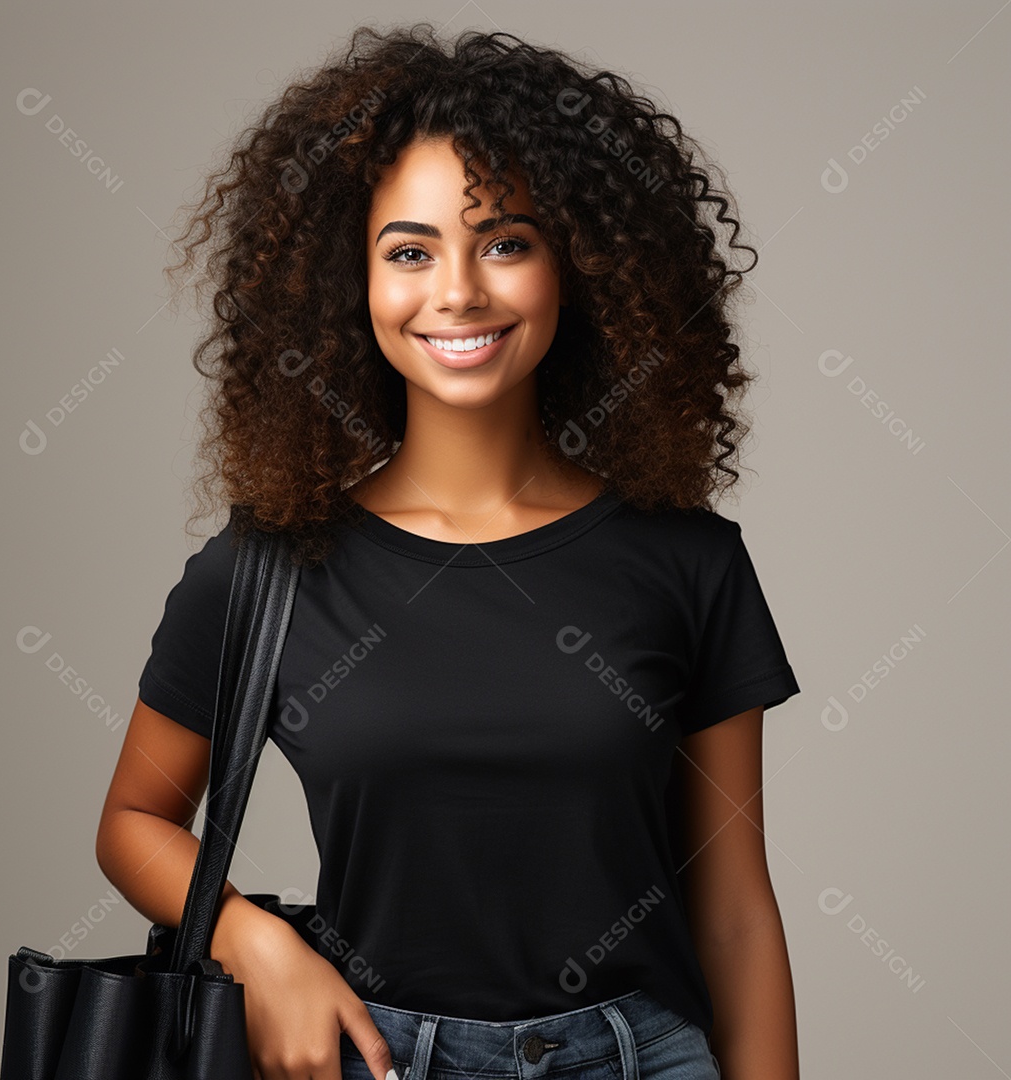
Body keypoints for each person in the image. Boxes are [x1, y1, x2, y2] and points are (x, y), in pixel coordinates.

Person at [95, 22, 802, 1080]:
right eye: (410, 251)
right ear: (350, 285)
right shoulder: (267, 569)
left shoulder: (689, 564)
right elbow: (134, 820)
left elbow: (736, 907)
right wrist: (257, 944)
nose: (459, 291)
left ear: (580, 270)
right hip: (370, 1057)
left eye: (507, 242)